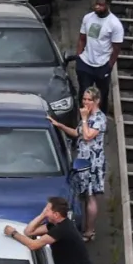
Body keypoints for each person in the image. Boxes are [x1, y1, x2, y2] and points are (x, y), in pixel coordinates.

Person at [51, 86, 107, 240]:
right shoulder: (87, 116)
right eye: (84, 99)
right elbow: (78, 133)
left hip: (93, 161)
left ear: (97, 101)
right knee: (79, 193)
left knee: (90, 195)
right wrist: (59, 125)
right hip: (81, 158)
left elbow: (88, 136)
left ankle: (90, 231)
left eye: (89, 100)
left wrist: (83, 118)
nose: (86, 102)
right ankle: (80, 225)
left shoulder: (99, 118)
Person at [76, 0, 125, 110]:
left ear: (108, 6)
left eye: (101, 5)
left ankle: (100, 120)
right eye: (97, 4)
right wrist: (78, 57)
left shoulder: (115, 24)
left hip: (102, 65)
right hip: (85, 62)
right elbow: (82, 39)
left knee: (101, 95)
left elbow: (116, 48)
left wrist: (109, 65)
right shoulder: (88, 18)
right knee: (84, 93)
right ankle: (83, 119)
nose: (97, 7)